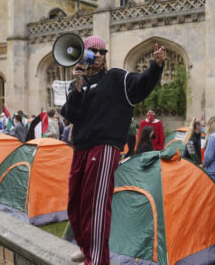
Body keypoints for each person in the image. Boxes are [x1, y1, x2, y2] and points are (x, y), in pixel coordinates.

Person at [61, 35, 165, 265]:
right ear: (84, 54)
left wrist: (155, 66)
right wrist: (77, 88)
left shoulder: (116, 77)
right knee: (75, 203)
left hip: (105, 146)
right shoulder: (77, 84)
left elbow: (141, 86)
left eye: (102, 52)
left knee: (95, 205)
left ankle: (97, 260)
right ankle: (87, 247)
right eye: (93, 51)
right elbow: (70, 115)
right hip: (81, 147)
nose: (98, 55)